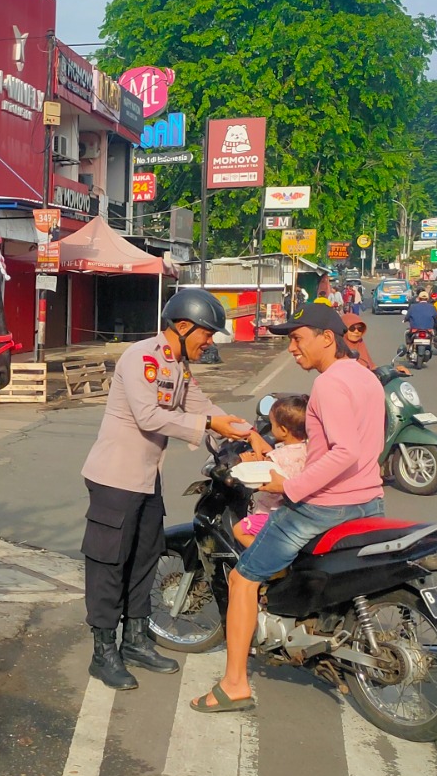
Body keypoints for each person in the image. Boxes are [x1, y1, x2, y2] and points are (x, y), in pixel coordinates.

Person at [191, 302, 385, 714]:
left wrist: (292, 486)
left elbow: (345, 451)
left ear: (327, 338)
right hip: (368, 501)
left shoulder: (330, 384)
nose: (292, 348)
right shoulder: (366, 378)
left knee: (243, 579)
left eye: (297, 339)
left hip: (324, 506)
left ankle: (234, 684)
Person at [81, 291, 251, 691]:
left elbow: (200, 404)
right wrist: (208, 425)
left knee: (145, 559)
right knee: (109, 565)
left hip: (145, 479)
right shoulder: (142, 358)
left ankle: (136, 640)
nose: (209, 342)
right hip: (115, 479)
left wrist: (244, 433)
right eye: (207, 333)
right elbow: (149, 416)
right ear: (184, 326)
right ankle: (103, 653)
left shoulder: (177, 365)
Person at [234, 395, 309, 548]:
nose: (271, 428)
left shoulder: (276, 457)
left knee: (239, 530)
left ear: (283, 430)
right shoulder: (309, 449)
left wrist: (247, 463)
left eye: (272, 424)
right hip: (298, 512)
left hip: (273, 513)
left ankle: (265, 556)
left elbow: (260, 478)